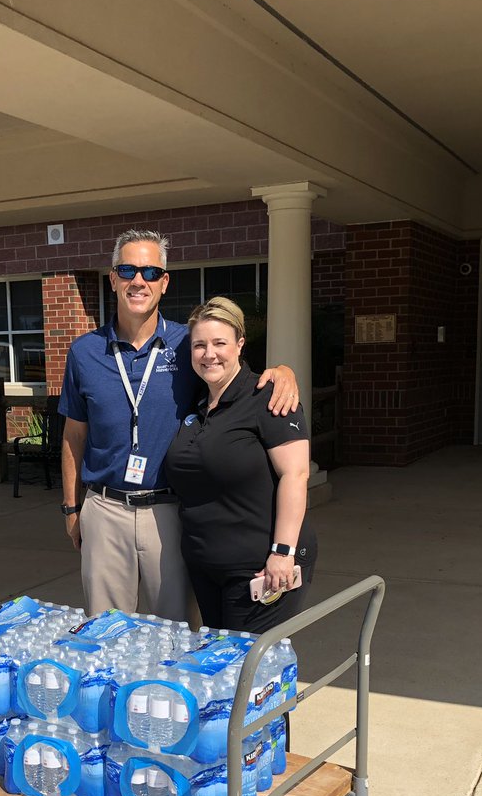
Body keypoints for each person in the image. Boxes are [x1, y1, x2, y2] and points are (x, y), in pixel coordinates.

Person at [60, 229, 299, 621]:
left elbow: (236, 376)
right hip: (103, 509)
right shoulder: (85, 352)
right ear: (113, 278)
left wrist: (285, 371)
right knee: (101, 634)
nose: (139, 280)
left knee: (173, 633)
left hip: (168, 510)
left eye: (151, 271)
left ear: (164, 282)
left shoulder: (188, 344)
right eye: (128, 270)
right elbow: (74, 435)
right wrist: (72, 508)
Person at [164, 296, 317, 632]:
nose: (209, 353)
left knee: (251, 671)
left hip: (260, 567)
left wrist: (282, 551)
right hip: (206, 565)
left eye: (220, 343)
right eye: (199, 345)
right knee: (222, 668)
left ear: (240, 345)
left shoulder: (269, 396)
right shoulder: (196, 401)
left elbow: (296, 473)